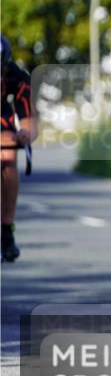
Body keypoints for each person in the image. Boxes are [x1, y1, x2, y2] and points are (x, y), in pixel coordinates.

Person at [1, 35, 34, 262]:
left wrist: (26, 133)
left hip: (2, 119)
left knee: (8, 156)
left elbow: (29, 120)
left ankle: (6, 230)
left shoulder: (18, 77)